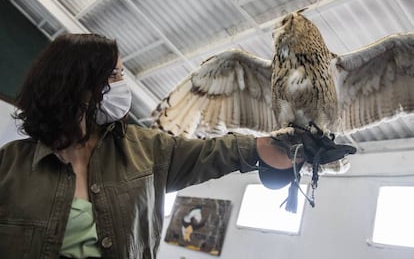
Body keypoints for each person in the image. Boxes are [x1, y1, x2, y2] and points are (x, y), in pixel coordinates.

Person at [0, 33, 354, 259]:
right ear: (77, 85)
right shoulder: (9, 167)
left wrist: (290, 146)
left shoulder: (145, 149)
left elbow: (217, 153)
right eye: (114, 76)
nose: (124, 85)